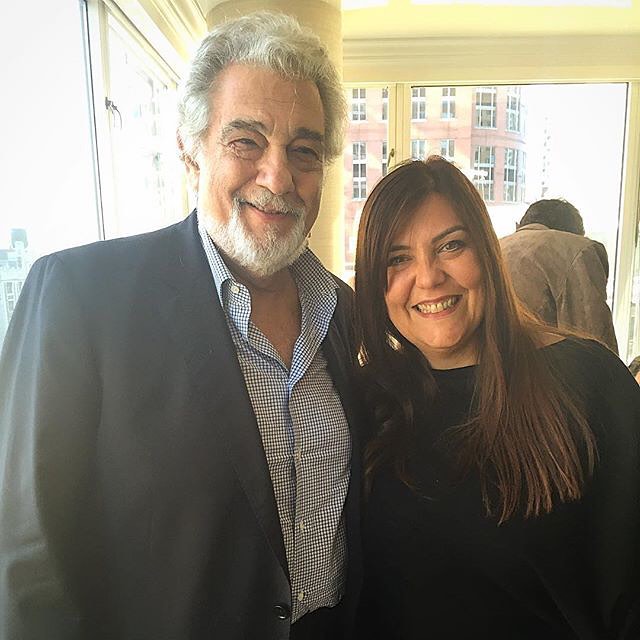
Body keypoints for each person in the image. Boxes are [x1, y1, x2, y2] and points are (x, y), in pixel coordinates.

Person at [0, 12, 362, 640]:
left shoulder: (343, 311)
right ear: (191, 151)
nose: (278, 177)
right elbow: (25, 558)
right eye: (245, 141)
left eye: (304, 150)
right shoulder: (79, 298)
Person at [353, 157, 640, 639]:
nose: (428, 277)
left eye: (451, 245)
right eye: (397, 259)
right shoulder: (366, 399)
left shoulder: (589, 382)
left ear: (487, 252)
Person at [500, 198, 618, 353]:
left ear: (520, 225)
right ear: (574, 232)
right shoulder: (576, 249)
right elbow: (595, 339)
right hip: (541, 364)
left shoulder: (495, 247)